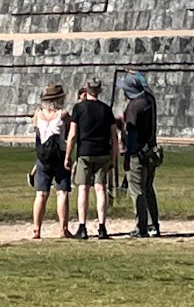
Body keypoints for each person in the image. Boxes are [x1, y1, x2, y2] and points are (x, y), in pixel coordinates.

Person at [66, 76, 118, 240]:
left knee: (83, 188)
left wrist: (68, 155)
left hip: (85, 152)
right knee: (100, 189)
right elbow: (114, 137)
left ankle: (82, 226)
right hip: (103, 152)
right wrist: (113, 158)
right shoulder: (106, 109)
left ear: (86, 89)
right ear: (100, 90)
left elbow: (72, 134)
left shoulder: (79, 108)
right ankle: (102, 227)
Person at [119, 72, 162, 238]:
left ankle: (141, 227)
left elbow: (132, 134)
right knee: (148, 188)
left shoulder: (134, 106)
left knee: (137, 190)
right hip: (150, 151)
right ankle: (153, 224)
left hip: (137, 153)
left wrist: (127, 156)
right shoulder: (149, 101)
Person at [29, 82, 73, 240]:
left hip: (43, 157)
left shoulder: (37, 114)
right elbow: (70, 132)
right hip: (60, 156)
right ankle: (63, 229)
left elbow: (37, 132)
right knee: (62, 192)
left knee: (41, 194)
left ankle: (37, 229)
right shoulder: (63, 114)